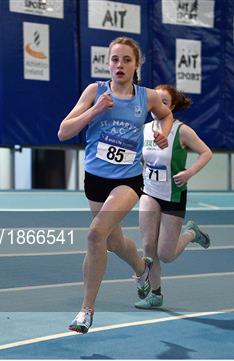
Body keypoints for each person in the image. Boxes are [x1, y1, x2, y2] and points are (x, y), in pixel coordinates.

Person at [57, 37, 174, 334]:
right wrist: (95, 110)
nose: (119, 65)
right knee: (113, 241)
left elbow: (166, 114)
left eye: (126, 60)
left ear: (137, 65)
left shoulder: (147, 97)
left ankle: (86, 310)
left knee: (96, 234)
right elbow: (63, 131)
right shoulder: (95, 91)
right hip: (95, 179)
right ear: (108, 63)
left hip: (128, 180)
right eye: (114, 60)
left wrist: (163, 133)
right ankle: (141, 268)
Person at [135, 84, 213, 309]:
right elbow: (142, 158)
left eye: (164, 102)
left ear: (172, 107)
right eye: (155, 101)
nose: (157, 106)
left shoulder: (181, 131)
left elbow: (206, 152)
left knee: (165, 254)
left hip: (173, 194)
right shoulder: (145, 128)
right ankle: (155, 294)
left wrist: (189, 172)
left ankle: (191, 233)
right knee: (149, 246)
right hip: (149, 192)